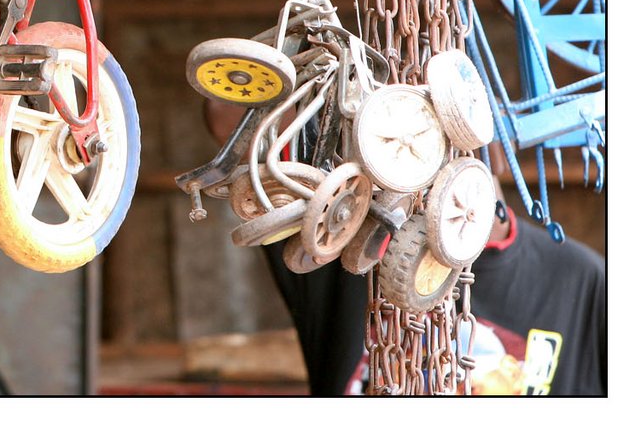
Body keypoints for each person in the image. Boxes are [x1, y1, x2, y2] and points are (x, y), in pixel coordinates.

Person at [203, 98, 606, 395]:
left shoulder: (582, 281)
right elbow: (224, 116)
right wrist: (356, 99)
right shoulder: (342, 245)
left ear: (492, 152)